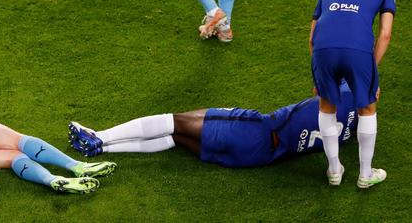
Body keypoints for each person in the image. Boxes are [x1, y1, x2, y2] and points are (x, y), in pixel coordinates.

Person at [69, 83, 356, 170]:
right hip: (256, 159)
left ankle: (99, 136)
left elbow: (281, 119)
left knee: (175, 120)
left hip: (251, 132)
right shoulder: (349, 131)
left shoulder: (332, 100)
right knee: (176, 137)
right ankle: (102, 148)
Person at [310, 0, 395, 189]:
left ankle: (334, 170)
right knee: (367, 107)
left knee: (326, 105)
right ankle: (366, 174)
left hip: (323, 49)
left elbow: (313, 34)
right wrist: (371, 71)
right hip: (357, 51)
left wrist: (318, 72)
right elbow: (385, 34)